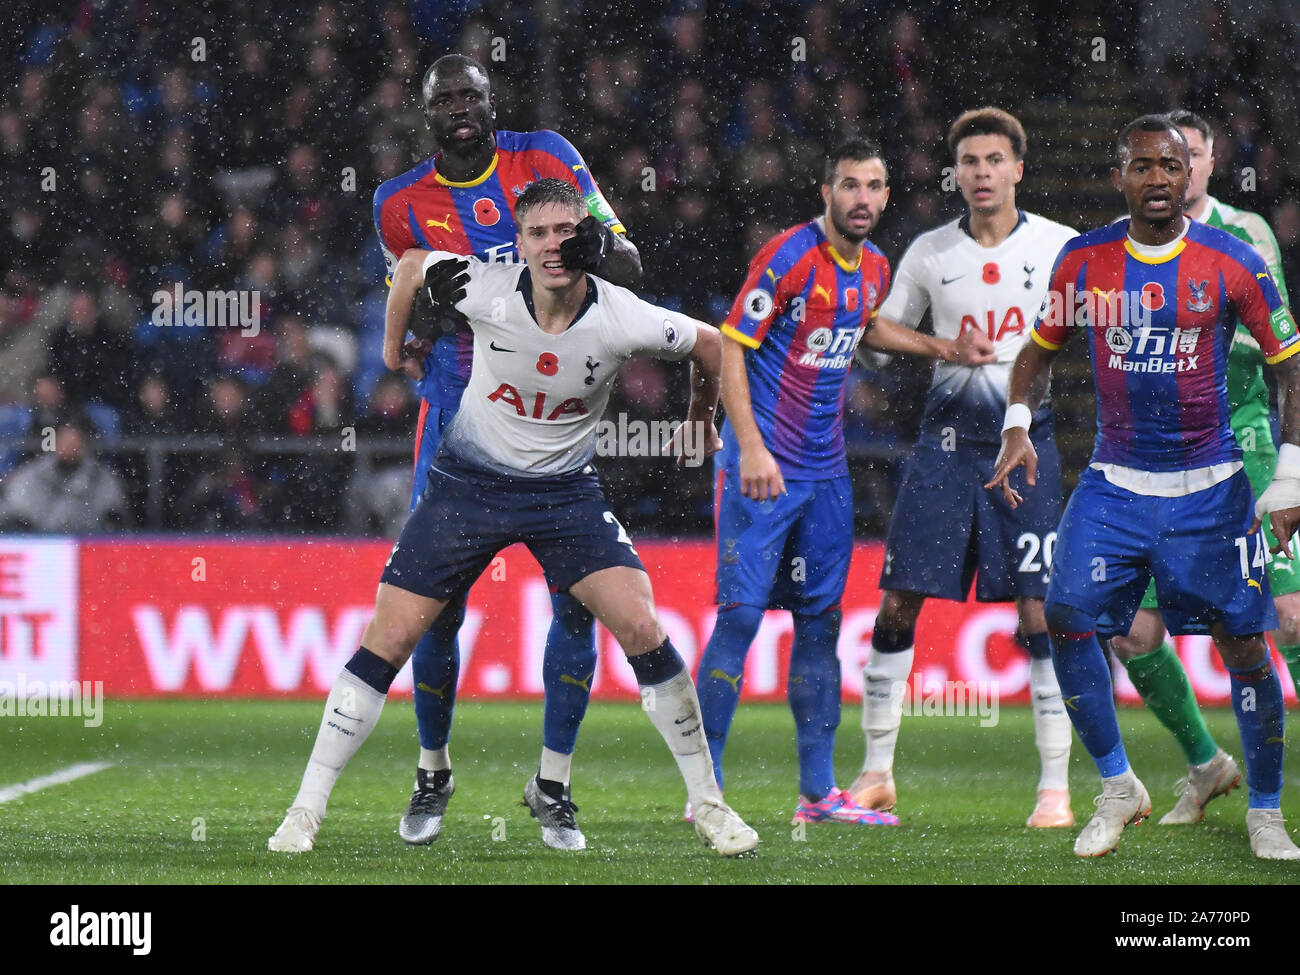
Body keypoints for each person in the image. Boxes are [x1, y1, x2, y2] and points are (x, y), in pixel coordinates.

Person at [270, 178, 758, 857]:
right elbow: (409, 265)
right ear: (519, 243)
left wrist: (702, 418)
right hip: (468, 484)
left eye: (566, 230)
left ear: (588, 235)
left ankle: (709, 805)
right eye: (537, 233)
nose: (553, 244)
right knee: (390, 634)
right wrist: (393, 350)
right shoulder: (486, 287)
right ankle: (304, 809)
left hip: (565, 495)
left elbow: (715, 345)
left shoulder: (620, 314)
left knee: (643, 623)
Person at [987, 114, 1300, 860]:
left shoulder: (1233, 259)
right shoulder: (1083, 260)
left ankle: (1264, 810)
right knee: (1064, 613)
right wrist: (1017, 426)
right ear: (1119, 174)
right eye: (1143, 166)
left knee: (1247, 641)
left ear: (1190, 175)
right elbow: (1034, 355)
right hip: (1115, 483)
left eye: (1171, 165)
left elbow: (1291, 365)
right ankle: (1118, 784)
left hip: (1211, 487)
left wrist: (1288, 475)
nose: (1159, 178)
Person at [372, 54, 641, 847]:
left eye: (471, 96)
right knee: (434, 610)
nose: (459, 108)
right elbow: (410, 310)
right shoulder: (398, 205)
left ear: (494, 104)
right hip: (456, 413)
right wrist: (422, 318)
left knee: (577, 600)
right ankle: (432, 770)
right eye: (444, 98)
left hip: (551, 409)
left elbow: (629, 264)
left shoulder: (548, 158)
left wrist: (592, 248)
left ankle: (552, 783)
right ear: (425, 114)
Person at [695, 136, 992, 826]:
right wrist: (749, 448)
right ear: (825, 192)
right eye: (849, 185)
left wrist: (945, 347)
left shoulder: (876, 267)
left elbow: (865, 328)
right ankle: (702, 783)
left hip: (826, 473)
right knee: (739, 617)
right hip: (763, 469)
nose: (862, 198)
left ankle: (819, 793)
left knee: (819, 624)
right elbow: (732, 344)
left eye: (874, 186)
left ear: (887, 196)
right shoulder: (789, 257)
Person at [848, 108, 1080, 827]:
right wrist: (939, 347)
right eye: (969, 162)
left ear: (1018, 168)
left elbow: (1091, 324)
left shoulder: (1062, 247)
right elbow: (875, 338)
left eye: (993, 160)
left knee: (1042, 613)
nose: (980, 173)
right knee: (898, 604)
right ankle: (877, 771)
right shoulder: (926, 253)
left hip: (1028, 448)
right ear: (956, 173)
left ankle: (1055, 789)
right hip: (944, 452)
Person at [1109, 108, 1300, 825]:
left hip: (1242, 439)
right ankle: (1205, 761)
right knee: (1131, 631)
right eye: (1156, 159)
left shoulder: (1242, 234)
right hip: (1158, 454)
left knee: (1287, 615)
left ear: (1208, 163)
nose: (1170, 168)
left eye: (1185, 154)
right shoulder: (1128, 245)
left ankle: (1266, 799)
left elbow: (1271, 341)